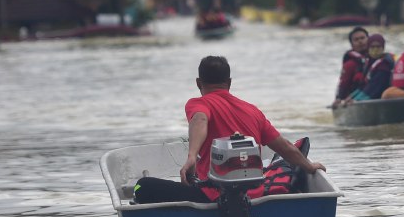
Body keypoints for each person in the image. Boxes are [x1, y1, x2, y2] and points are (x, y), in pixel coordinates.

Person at [133, 55, 324, 204]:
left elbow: (200, 119)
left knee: (142, 187)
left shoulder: (198, 103)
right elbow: (286, 147)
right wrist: (309, 166)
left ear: (198, 83)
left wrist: (191, 157)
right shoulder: (253, 111)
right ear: (229, 82)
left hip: (212, 197)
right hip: (255, 195)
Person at [332, 26, 369, 108]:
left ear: (368, 39)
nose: (360, 41)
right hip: (354, 99)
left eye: (362, 38)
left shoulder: (379, 59)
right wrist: (338, 98)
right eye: (356, 40)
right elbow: (343, 84)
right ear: (352, 44)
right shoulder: (350, 64)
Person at [353, 33, 394, 100]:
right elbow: (362, 86)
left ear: (383, 48)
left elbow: (373, 89)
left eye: (378, 47)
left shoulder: (384, 66)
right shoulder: (368, 63)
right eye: (372, 47)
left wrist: (356, 101)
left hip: (378, 98)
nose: (375, 49)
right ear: (368, 48)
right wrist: (349, 98)